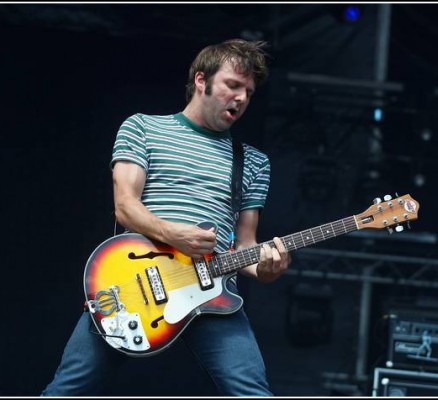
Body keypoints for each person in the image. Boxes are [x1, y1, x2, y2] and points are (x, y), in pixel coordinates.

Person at [41, 38, 291, 396]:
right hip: (136, 283)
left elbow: (246, 245)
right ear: (201, 80)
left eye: (249, 92)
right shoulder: (142, 127)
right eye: (233, 85)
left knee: (252, 391)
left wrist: (266, 269)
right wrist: (177, 236)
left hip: (214, 293)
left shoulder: (253, 162)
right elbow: (125, 206)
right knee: (67, 388)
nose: (241, 98)